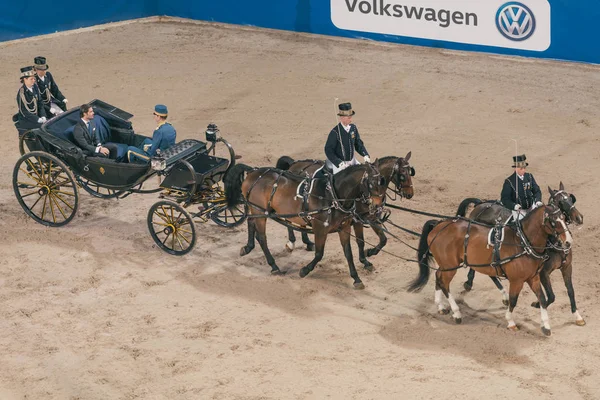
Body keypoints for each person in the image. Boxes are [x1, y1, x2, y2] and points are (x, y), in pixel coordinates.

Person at [324, 102, 371, 174]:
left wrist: (365, 154)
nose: (351, 119)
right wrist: (338, 163)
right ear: (342, 118)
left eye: (351, 117)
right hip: (340, 165)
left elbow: (358, 143)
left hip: (352, 161)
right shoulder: (335, 132)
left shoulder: (353, 128)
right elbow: (328, 150)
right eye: (349, 117)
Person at [501, 154, 542, 220]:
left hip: (531, 207)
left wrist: (538, 200)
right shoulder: (509, 181)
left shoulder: (529, 176)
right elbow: (504, 198)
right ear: (516, 168)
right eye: (521, 168)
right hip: (519, 211)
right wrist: (514, 206)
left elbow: (536, 190)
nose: (524, 170)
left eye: (524, 168)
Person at [14, 66, 49, 134]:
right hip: (27, 120)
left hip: (37, 116)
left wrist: (43, 116)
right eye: (31, 79)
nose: (34, 80)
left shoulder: (35, 87)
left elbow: (40, 103)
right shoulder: (22, 93)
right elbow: (24, 111)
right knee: (44, 128)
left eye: (34, 78)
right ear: (25, 79)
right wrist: (37, 119)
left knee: (50, 123)